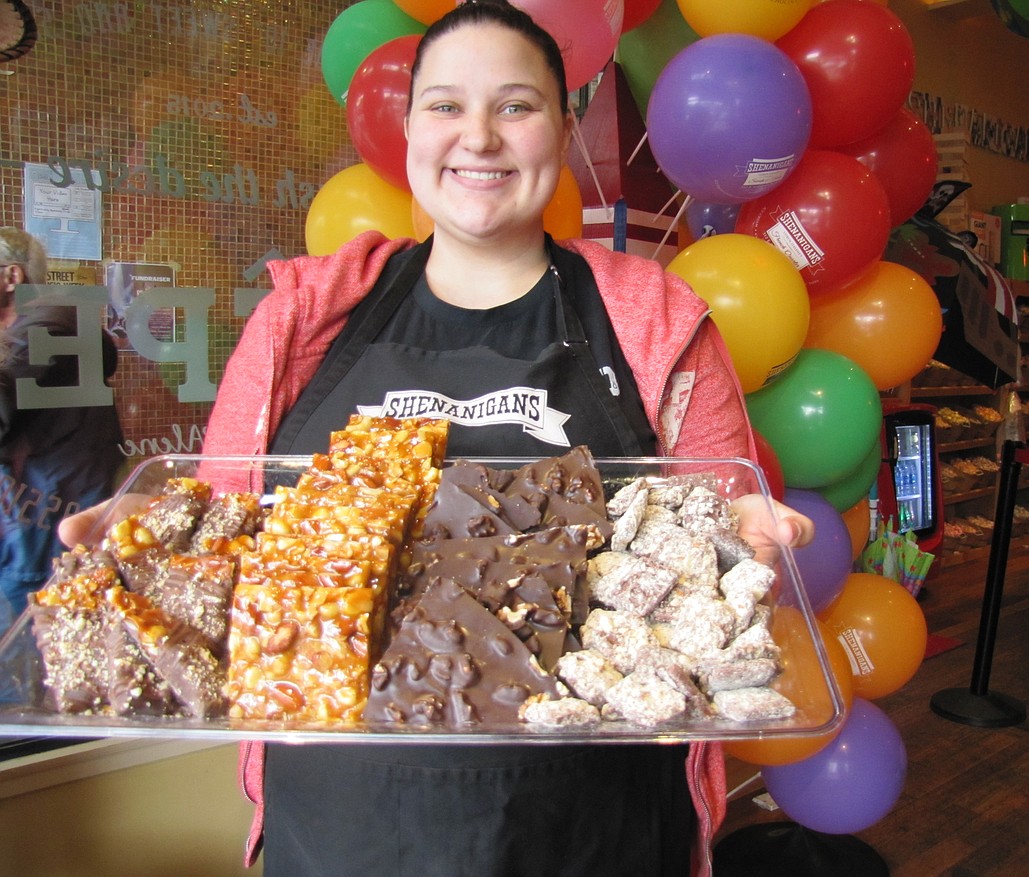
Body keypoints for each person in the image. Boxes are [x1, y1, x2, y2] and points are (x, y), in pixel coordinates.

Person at [61, 2, 814, 873]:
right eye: (446, 105)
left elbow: (719, 538)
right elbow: (227, 517)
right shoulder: (298, 323)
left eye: (517, 105)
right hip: (348, 818)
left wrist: (744, 542)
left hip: (591, 822)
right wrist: (151, 542)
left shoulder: (656, 326)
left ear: (563, 130)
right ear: (410, 127)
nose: (479, 137)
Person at [0, 228, 123, 635]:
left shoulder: (37, 331)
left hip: (41, 512)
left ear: (11, 277)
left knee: (35, 630)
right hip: (62, 500)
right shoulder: (66, 320)